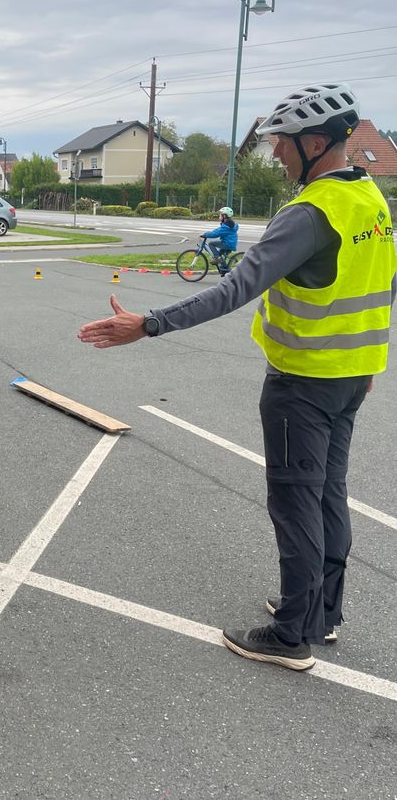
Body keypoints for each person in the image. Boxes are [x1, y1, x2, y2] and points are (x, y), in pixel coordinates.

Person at [77, 83, 396, 672]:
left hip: (302, 381)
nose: (274, 155)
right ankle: (320, 613)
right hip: (350, 376)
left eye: (281, 144)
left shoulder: (308, 213)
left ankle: (290, 635)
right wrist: (370, 359)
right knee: (328, 493)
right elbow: (382, 283)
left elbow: (232, 289)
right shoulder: (370, 197)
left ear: (317, 142)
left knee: (296, 500)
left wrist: (148, 324)